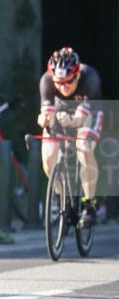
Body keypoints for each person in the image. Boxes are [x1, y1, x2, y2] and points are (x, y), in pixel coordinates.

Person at [37, 46, 103, 228]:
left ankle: (89, 204)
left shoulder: (90, 78)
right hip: (62, 112)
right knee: (48, 156)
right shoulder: (46, 81)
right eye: (58, 83)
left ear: (77, 75)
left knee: (84, 148)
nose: (63, 87)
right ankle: (61, 197)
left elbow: (81, 119)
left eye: (68, 82)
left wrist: (72, 121)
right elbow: (47, 112)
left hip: (89, 113)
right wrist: (44, 119)